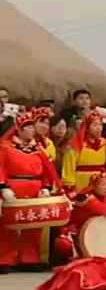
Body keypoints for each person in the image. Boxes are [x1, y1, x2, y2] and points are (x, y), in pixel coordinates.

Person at [0, 110, 63, 270]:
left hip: (35, 189)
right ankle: (6, 258)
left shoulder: (39, 150)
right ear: (19, 130)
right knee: (8, 225)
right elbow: (0, 168)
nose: (31, 130)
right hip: (13, 188)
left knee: (34, 225)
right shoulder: (6, 147)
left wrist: (46, 187)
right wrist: (3, 187)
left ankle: (30, 257)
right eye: (27, 127)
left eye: (31, 127)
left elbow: (47, 171)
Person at [61, 111, 106, 193]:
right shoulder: (75, 144)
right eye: (95, 125)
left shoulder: (104, 143)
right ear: (87, 127)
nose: (99, 128)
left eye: (100, 125)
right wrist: (70, 188)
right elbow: (69, 169)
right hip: (81, 186)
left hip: (99, 187)